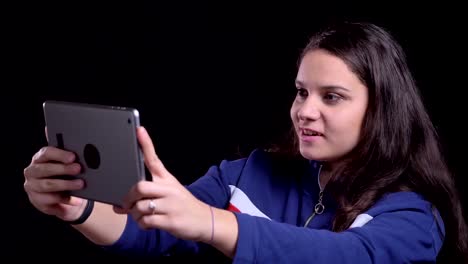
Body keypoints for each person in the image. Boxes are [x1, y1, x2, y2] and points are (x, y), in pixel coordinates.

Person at [23, 21, 468, 263]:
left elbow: (353, 256)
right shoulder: (248, 173)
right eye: (301, 91)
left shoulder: (411, 214)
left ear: (380, 108)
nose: (304, 111)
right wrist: (75, 205)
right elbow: (150, 233)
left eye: (331, 97)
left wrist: (213, 224)